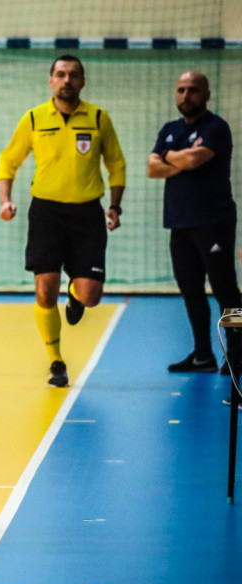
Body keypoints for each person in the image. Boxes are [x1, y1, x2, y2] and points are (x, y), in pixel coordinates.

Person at [0, 55, 126, 388]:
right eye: (60, 74)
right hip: (46, 214)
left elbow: (116, 164)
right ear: (51, 80)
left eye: (73, 75)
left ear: (82, 81)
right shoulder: (35, 118)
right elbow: (8, 161)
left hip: (88, 214)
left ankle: (75, 294)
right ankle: (56, 361)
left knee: (91, 295)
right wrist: (5, 200)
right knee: (44, 291)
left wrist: (115, 206)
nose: (67, 80)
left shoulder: (98, 118)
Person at [147, 71, 240, 375]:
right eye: (181, 90)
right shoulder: (170, 129)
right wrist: (179, 158)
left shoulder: (216, 127)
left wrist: (170, 157)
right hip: (180, 223)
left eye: (193, 90)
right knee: (190, 289)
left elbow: (191, 161)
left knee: (225, 289)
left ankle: (238, 353)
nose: (186, 96)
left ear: (207, 95)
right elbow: (152, 168)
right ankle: (203, 355)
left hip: (214, 222)